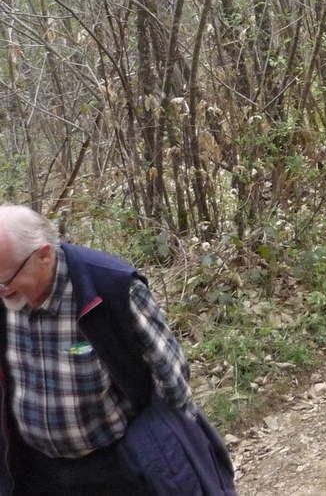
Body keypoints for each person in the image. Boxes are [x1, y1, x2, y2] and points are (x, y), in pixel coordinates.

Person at [0, 204, 236, 494]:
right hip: (39, 472)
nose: (3, 292)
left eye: (7, 283)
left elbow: (173, 379)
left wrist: (162, 450)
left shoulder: (110, 286)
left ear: (44, 256)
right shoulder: (6, 299)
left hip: (116, 468)